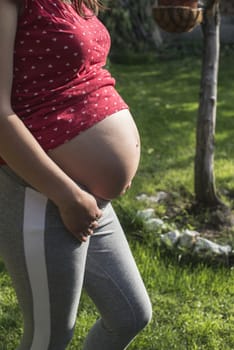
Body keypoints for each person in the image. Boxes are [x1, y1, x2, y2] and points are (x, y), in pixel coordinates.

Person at [0, 0, 152, 349]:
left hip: (86, 197)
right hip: (42, 191)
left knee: (129, 314)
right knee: (49, 336)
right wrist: (67, 196)